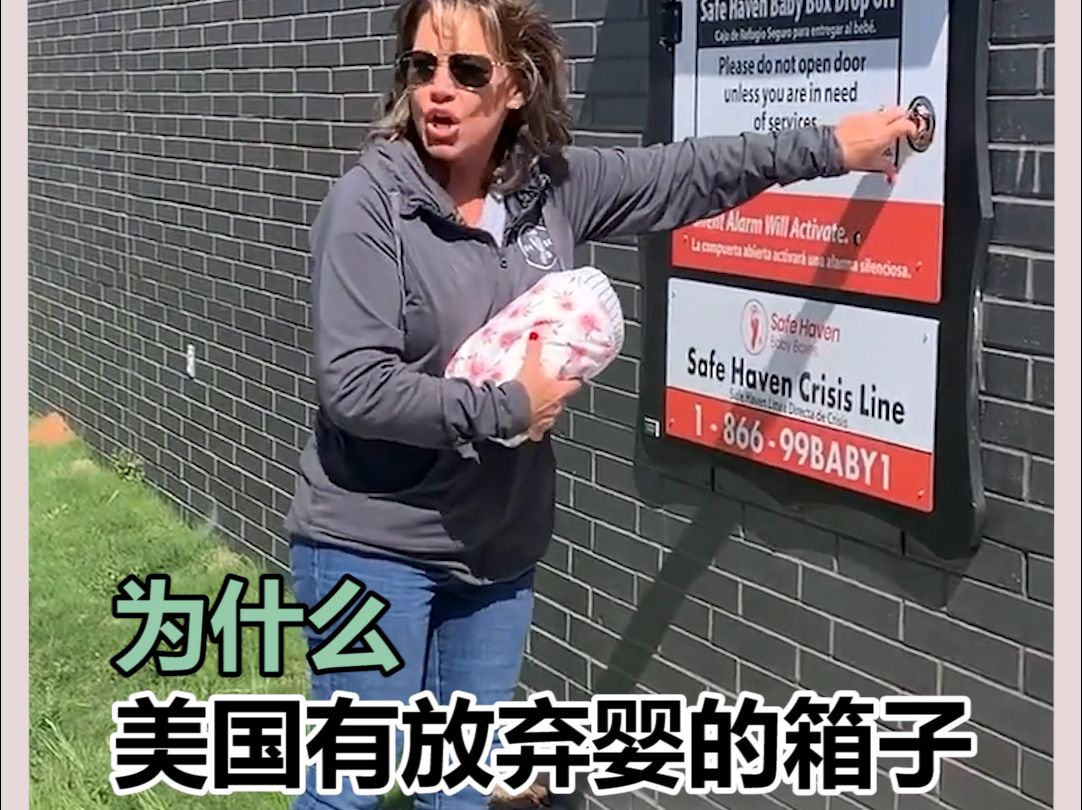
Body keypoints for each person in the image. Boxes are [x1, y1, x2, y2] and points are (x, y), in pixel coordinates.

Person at [283, 1, 919, 807]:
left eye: (467, 70)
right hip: (372, 544)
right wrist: (508, 408)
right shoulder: (370, 207)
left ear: (515, 84)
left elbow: (686, 173)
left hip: (494, 553)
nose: (438, 90)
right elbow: (356, 386)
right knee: (348, 787)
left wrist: (828, 148)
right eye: (422, 67)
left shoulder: (551, 190)